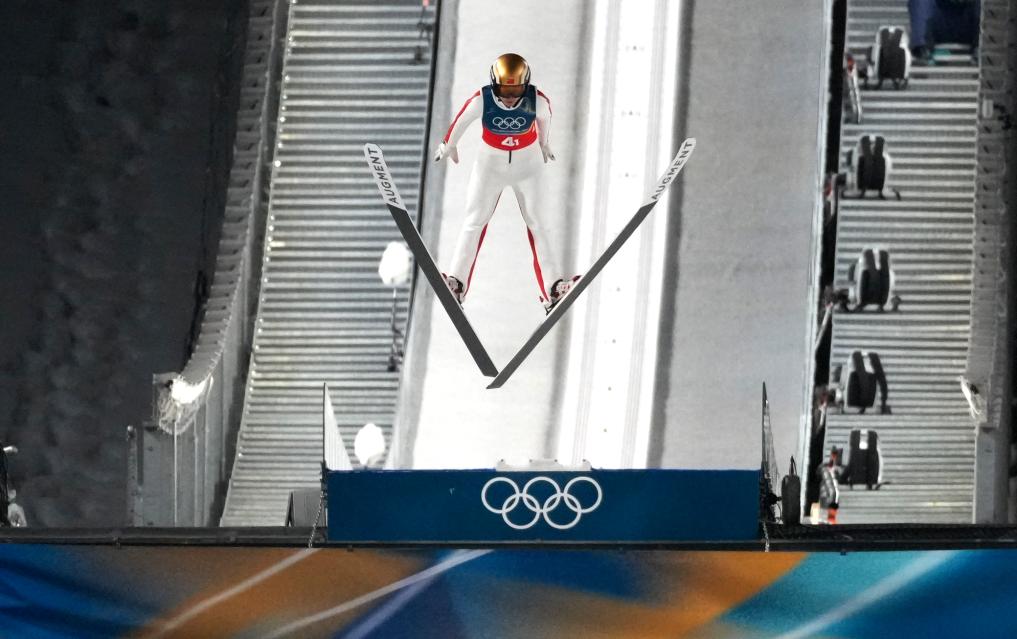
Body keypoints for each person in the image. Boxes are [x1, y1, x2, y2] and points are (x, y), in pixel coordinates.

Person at [433, 53, 579, 313]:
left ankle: (553, 289)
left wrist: (544, 144)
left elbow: (545, 121)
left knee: (538, 223)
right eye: (504, 90)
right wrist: (448, 144)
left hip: (528, 169)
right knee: (474, 220)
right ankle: (457, 283)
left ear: (526, 85)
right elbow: (461, 120)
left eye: (516, 90)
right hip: (489, 168)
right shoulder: (482, 100)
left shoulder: (538, 101)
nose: (510, 97)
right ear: (494, 84)